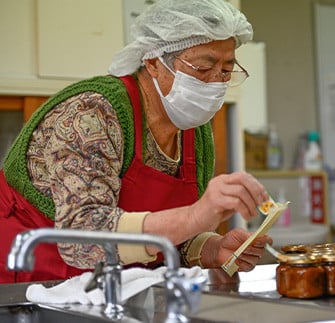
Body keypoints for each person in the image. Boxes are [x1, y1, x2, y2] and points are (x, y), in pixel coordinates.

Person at [0, 0, 273, 283]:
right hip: (31, 277)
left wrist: (209, 247)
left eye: (227, 70)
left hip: (114, 284)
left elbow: (165, 233)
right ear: (154, 62)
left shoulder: (193, 127)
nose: (216, 82)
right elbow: (83, 240)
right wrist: (196, 216)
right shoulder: (93, 114)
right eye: (204, 68)